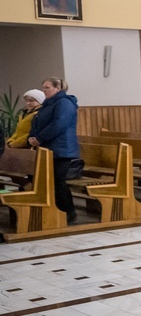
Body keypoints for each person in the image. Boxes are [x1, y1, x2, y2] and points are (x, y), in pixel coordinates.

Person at [28, 77, 80, 225]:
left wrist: (39, 139)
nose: (44, 90)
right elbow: (37, 123)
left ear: (58, 88)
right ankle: (55, 209)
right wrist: (32, 137)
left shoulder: (64, 103)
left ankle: (69, 211)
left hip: (62, 149)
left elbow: (59, 124)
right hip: (48, 148)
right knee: (48, 180)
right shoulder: (48, 104)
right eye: (43, 87)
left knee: (58, 181)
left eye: (47, 87)